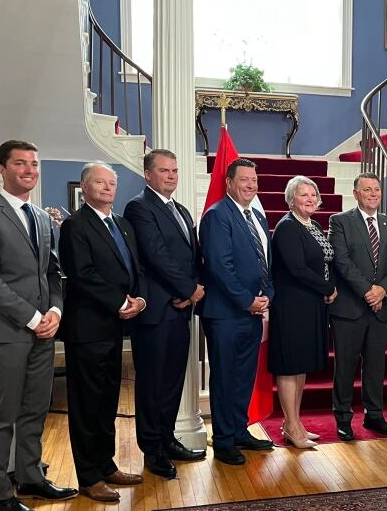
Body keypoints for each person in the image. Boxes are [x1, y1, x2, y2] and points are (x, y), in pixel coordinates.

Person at [0, 140, 77, 511]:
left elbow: (52, 273)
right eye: (20, 163)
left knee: (35, 409)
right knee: (3, 414)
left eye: (33, 164)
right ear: (2, 169)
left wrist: (56, 311)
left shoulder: (43, 219)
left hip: (45, 332)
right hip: (8, 333)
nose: (29, 170)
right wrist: (33, 317)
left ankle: (30, 477)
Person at [59, 161, 147, 502]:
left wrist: (139, 298)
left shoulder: (122, 224)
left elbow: (134, 267)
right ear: (85, 187)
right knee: (86, 404)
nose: (107, 187)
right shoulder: (75, 225)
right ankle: (89, 476)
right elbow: (81, 273)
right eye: (99, 182)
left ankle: (106, 464)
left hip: (115, 326)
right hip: (88, 328)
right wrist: (118, 302)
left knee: (109, 399)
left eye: (111, 182)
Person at [123, 150, 206, 479]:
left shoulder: (182, 210)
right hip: (157, 311)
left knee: (173, 382)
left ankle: (168, 438)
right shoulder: (139, 207)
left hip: (181, 310)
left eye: (174, 170)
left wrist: (194, 289)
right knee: (152, 384)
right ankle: (151, 450)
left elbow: (195, 257)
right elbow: (156, 256)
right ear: (148, 175)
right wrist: (188, 290)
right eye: (163, 170)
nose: (171, 176)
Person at [200, 158, 275, 465]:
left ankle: (239, 430)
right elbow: (220, 267)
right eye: (244, 180)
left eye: (254, 180)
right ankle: (223, 440)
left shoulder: (257, 214)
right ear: (229, 182)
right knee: (225, 377)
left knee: (244, 377)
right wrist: (247, 300)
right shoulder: (217, 216)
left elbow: (265, 261)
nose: (250, 185)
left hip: (253, 312)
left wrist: (267, 294)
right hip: (226, 315)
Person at [328, 172, 387, 441]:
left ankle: (375, 415)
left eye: (376, 190)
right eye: (367, 190)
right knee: (345, 366)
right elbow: (342, 261)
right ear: (356, 193)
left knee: (375, 366)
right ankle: (343, 418)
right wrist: (367, 292)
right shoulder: (340, 222)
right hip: (349, 309)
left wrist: (383, 290)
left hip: (382, 308)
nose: (373, 194)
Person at [268, 176, 337, 448]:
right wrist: (328, 287)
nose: (309, 199)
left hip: (312, 305)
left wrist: (326, 288)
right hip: (292, 306)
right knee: (289, 366)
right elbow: (297, 268)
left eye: (313, 195)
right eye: (303, 195)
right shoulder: (287, 227)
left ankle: (292, 423)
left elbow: (324, 260)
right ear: (290, 199)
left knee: (301, 367)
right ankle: (292, 426)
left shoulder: (314, 225)